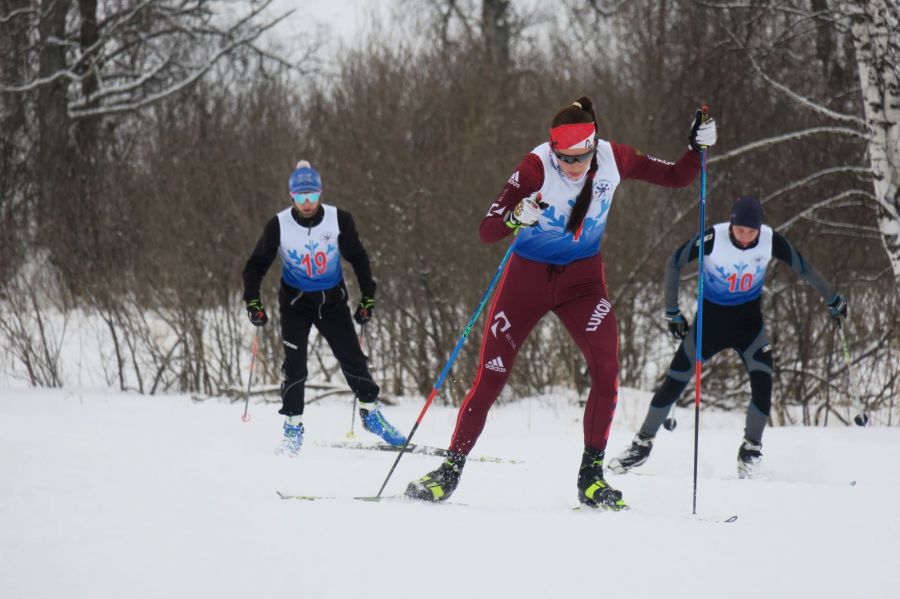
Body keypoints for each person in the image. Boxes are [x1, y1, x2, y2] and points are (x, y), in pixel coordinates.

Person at [404, 96, 718, 508]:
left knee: (607, 370)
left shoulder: (615, 158)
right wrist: (515, 216)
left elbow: (678, 177)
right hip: (526, 282)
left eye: (581, 157)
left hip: (582, 284)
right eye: (564, 158)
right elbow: (487, 230)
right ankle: (449, 470)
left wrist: (696, 149)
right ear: (553, 149)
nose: (572, 166)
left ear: (593, 145)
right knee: (491, 376)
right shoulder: (534, 167)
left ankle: (591, 477)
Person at [608, 195, 848, 478]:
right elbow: (674, 262)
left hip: (749, 327)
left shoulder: (770, 240)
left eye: (751, 232)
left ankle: (750, 452)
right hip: (710, 326)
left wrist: (832, 299)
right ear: (732, 224)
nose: (745, 237)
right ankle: (641, 445)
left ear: (759, 228)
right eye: (740, 230)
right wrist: (672, 312)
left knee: (763, 382)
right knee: (674, 381)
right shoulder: (713, 238)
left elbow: (804, 267)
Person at [242, 160, 406, 455]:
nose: (307, 203)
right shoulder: (278, 225)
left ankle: (371, 414)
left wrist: (368, 296)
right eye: (300, 197)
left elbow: (358, 258)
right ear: (291, 196)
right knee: (295, 367)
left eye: (312, 196)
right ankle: (293, 428)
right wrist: (253, 301)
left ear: (320, 194)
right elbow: (255, 266)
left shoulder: (338, 219)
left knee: (353, 359)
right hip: (295, 304)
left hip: (332, 302)